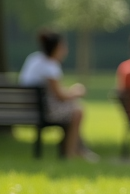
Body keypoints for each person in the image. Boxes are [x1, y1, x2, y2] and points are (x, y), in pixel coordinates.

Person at [18, 28, 96, 160]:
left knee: (73, 109)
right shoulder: (50, 66)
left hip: (29, 108)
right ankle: (70, 153)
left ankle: (80, 149)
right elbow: (60, 95)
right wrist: (76, 91)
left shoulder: (34, 59)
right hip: (43, 112)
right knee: (77, 111)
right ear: (58, 47)